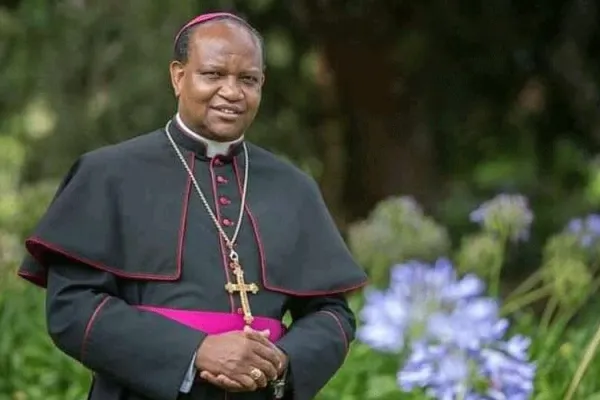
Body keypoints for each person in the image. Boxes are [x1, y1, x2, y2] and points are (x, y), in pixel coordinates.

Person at [17, 11, 367, 400]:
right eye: (213, 75)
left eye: (247, 79)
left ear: (262, 84)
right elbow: (72, 308)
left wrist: (281, 360)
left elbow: (332, 315)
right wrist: (195, 352)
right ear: (178, 77)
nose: (232, 92)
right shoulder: (108, 174)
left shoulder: (293, 187)